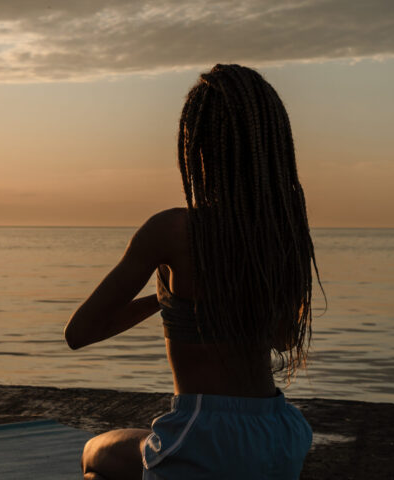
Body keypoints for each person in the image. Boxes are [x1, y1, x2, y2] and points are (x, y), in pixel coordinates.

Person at [63, 64, 318, 480]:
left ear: (198, 147)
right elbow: (284, 338)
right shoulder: (283, 237)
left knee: (93, 457)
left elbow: (79, 333)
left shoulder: (172, 230)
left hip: (204, 437)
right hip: (278, 438)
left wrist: (163, 299)